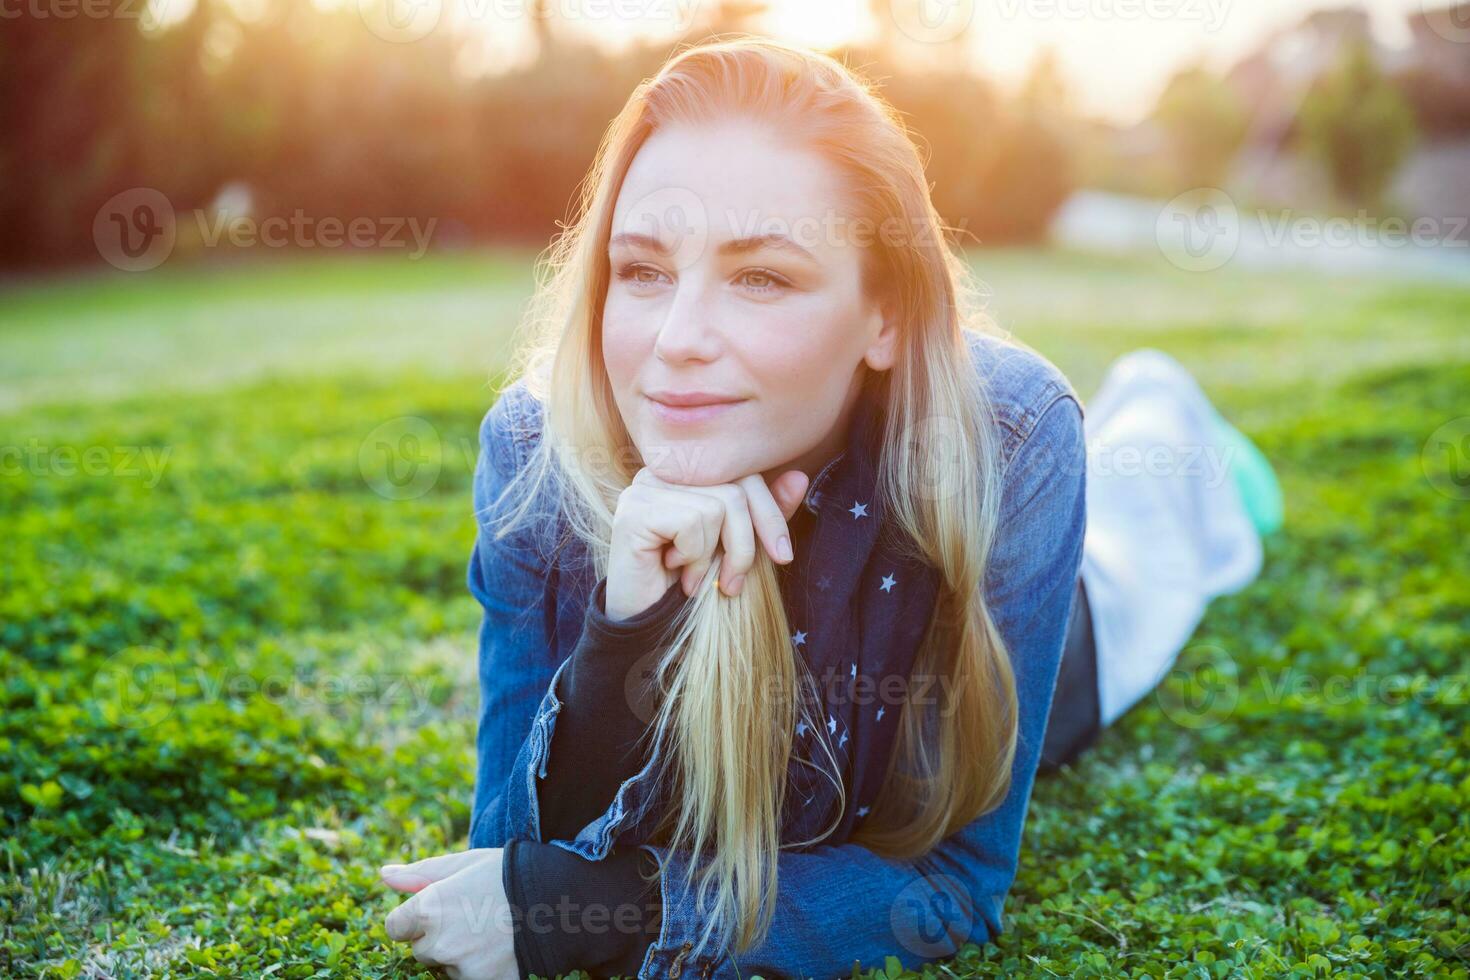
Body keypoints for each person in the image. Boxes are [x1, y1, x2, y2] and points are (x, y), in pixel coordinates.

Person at [377, 36, 1282, 980]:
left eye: (761, 276)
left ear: (884, 315)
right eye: (643, 270)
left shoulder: (1009, 440)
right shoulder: (537, 449)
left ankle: (1166, 408)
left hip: (1084, 621)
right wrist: (625, 631)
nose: (676, 342)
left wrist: (611, 915)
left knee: (1158, 513)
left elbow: (951, 888)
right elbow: (511, 858)